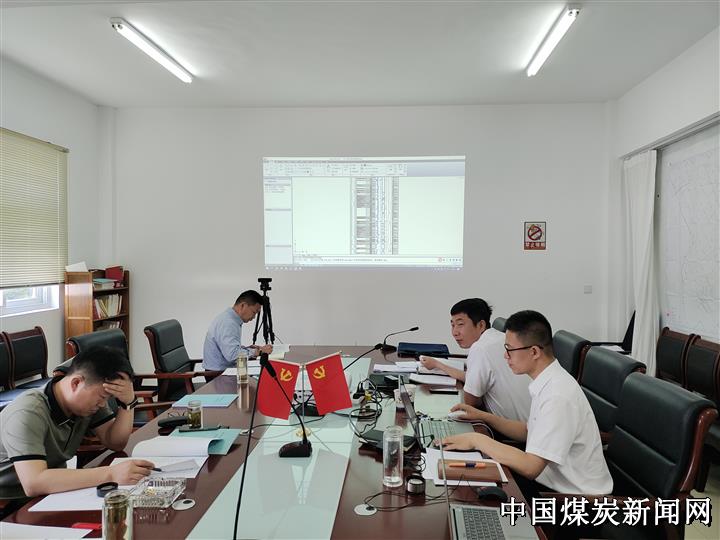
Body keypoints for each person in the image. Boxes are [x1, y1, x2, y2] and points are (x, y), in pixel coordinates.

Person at [438, 310, 613, 497]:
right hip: (549, 481)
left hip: (573, 500)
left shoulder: (557, 396)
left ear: (534, 352)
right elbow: (528, 431)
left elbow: (531, 467)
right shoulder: (548, 380)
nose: (505, 356)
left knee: (466, 494)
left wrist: (476, 440)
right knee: (465, 480)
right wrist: (483, 417)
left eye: (509, 349)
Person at [0, 346, 154, 501]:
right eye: (102, 397)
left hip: (52, 492)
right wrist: (111, 474)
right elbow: (34, 483)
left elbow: (115, 442)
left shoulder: (85, 403)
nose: (103, 404)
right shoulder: (28, 412)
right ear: (76, 383)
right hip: (11, 500)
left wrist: (128, 403)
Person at [420, 298, 531, 422]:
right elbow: (471, 377)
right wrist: (437, 364)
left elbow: (471, 402)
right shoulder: (499, 337)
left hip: (511, 429)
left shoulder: (480, 348)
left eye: (460, 324)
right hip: (529, 422)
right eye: (452, 325)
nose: (455, 332)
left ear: (481, 325)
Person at [203, 290, 273, 371]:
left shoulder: (229, 318)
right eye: (254, 312)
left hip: (225, 370)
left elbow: (230, 350)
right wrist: (258, 351)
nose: (254, 317)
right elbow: (232, 355)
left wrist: (247, 349)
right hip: (218, 374)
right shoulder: (228, 323)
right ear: (243, 305)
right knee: (265, 375)